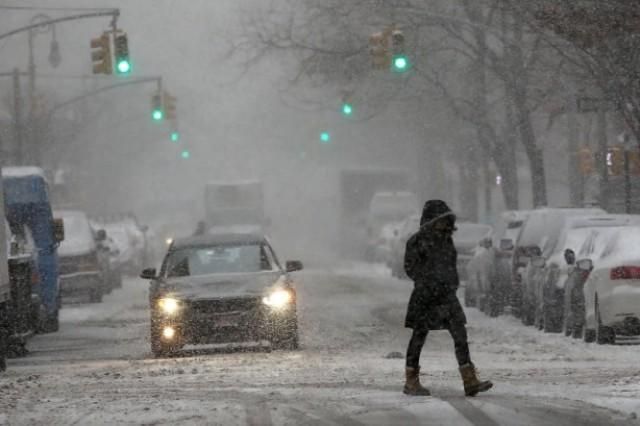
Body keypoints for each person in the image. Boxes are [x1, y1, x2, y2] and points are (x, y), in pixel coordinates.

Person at [403, 200, 492, 397]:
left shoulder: (446, 241)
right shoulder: (417, 241)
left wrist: (451, 283)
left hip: (446, 295)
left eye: (446, 221)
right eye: (440, 221)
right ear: (430, 221)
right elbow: (410, 268)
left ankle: (469, 379)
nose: (443, 225)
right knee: (419, 335)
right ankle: (411, 380)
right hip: (425, 296)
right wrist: (427, 281)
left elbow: (450, 266)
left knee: (460, 334)